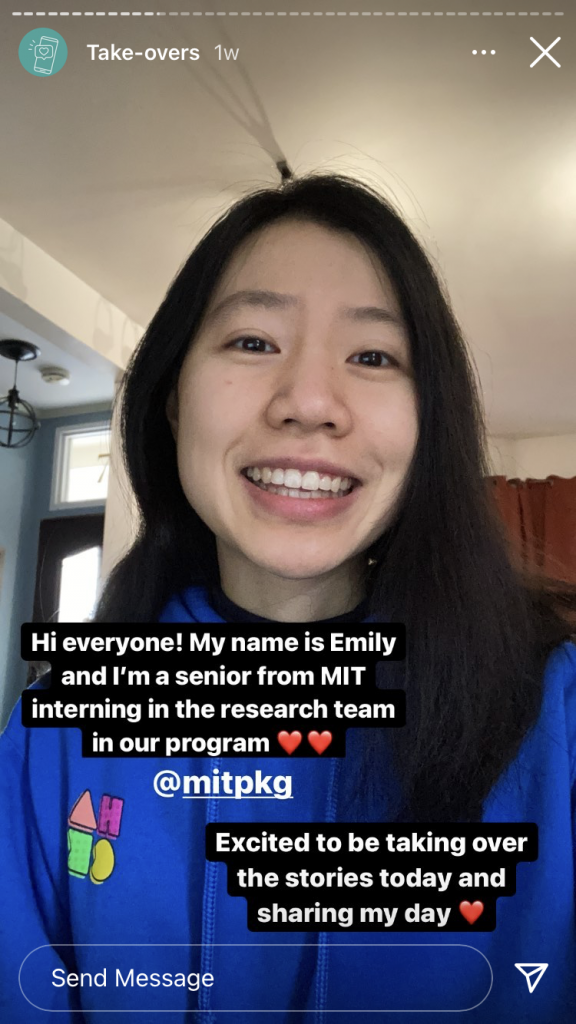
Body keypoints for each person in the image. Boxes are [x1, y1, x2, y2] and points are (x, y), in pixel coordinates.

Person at [1, 174, 575, 1023]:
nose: (308, 403)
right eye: (252, 342)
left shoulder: (556, 712)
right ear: (171, 398)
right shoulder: (57, 734)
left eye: (373, 356)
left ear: (430, 426)